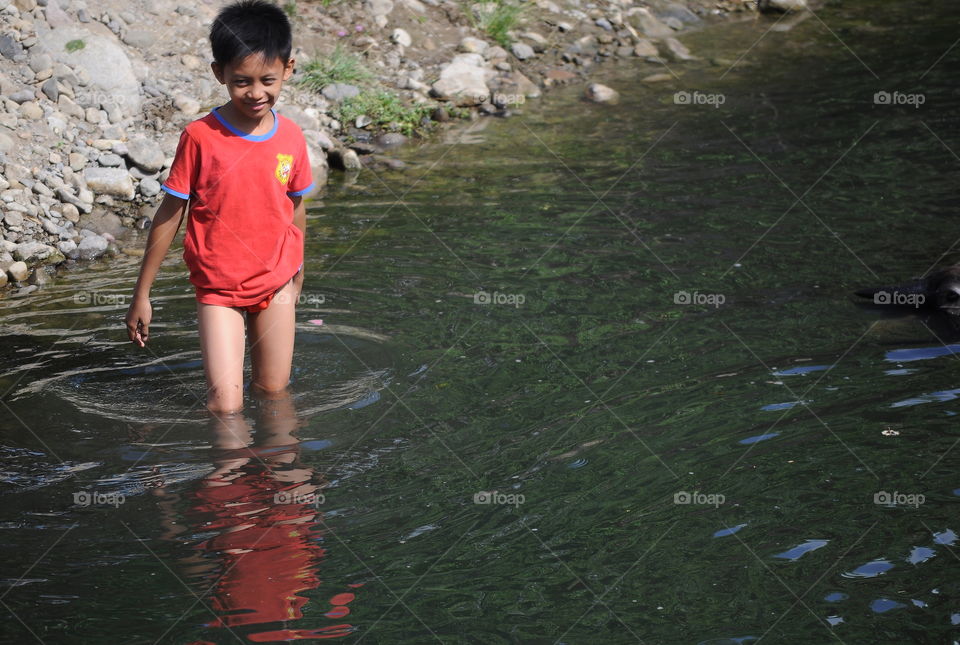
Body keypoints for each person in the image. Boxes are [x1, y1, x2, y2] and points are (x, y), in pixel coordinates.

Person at [124, 0, 314, 414]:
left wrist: (298, 273)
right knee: (225, 407)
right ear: (219, 74)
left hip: (277, 281)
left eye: (268, 79)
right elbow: (170, 215)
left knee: (274, 393)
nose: (256, 93)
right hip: (219, 290)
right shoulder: (200, 137)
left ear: (288, 68)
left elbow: (294, 208)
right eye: (241, 82)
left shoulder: (292, 138)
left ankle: (281, 475)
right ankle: (229, 476)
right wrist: (142, 293)